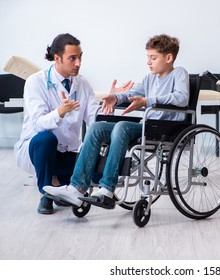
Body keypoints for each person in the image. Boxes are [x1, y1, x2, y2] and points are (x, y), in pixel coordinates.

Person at [43, 34, 189, 209]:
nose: (148, 62)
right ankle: (77, 188)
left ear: (168, 58)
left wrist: (147, 101)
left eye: (153, 58)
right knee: (97, 127)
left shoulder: (179, 73)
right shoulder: (150, 78)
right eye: (148, 57)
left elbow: (182, 98)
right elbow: (131, 93)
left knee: (122, 127)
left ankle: (107, 189)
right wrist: (116, 98)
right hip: (148, 127)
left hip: (168, 129)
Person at [14, 33, 133, 215]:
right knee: (46, 139)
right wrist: (59, 112)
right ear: (57, 58)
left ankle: (60, 185)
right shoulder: (35, 82)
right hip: (38, 151)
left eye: (80, 57)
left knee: (98, 176)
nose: (78, 63)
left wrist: (111, 100)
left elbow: (95, 119)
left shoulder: (82, 83)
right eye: (72, 58)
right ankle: (45, 194)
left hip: (68, 152)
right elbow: (38, 124)